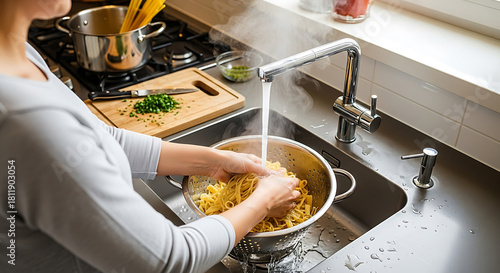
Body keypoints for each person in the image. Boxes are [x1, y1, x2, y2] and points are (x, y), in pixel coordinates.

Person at [0, 0, 301, 272]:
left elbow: (98, 138)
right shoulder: (28, 122)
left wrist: (211, 162)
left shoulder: (19, 53)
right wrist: (263, 200)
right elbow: (167, 259)